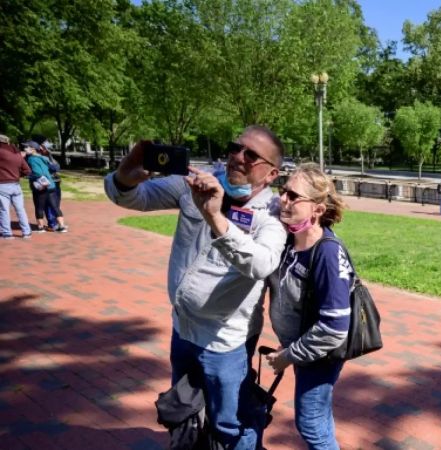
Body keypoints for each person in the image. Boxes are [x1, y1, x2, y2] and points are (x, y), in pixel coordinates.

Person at [105, 125, 287, 449]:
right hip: (182, 328)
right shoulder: (196, 182)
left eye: (251, 154)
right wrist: (126, 176)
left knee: (229, 424)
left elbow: (261, 263)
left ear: (271, 174)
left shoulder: (271, 216)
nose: (237, 157)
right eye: (235, 147)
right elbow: (133, 197)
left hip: (226, 341)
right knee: (184, 410)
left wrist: (215, 217)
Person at [265, 164, 351, 449]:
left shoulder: (326, 252)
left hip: (320, 355)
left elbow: (334, 328)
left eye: (293, 195)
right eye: (283, 191)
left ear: (317, 209)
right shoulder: (289, 241)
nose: (284, 200)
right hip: (301, 349)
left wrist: (288, 356)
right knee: (319, 417)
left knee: (310, 423)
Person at [24, 142, 68, 233]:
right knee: (55, 206)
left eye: (26, 147)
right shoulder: (45, 158)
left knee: (39, 207)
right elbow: (54, 168)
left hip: (42, 186)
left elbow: (37, 173)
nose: (25, 149)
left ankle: (40, 227)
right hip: (51, 185)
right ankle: (62, 226)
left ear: (33, 149)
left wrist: (29, 176)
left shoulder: (31, 159)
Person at [0, 135, 32, 239]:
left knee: (4, 210)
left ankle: (7, 233)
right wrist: (18, 175)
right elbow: (27, 170)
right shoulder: (17, 153)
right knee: (20, 209)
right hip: (16, 185)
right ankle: (26, 232)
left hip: (2, 185)